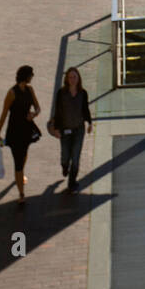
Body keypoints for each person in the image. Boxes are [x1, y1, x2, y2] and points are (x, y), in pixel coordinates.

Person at [0, 65, 41, 206]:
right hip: (15, 131)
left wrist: (34, 114)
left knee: (24, 154)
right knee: (18, 161)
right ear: (26, 76)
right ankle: (21, 194)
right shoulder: (12, 93)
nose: (32, 76)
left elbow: (38, 108)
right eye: (31, 74)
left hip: (27, 129)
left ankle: (19, 177)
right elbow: (4, 114)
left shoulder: (30, 90)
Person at [49, 66, 93, 194]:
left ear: (78, 78)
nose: (72, 79)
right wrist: (56, 128)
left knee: (76, 157)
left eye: (75, 77)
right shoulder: (61, 93)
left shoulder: (82, 93)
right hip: (65, 129)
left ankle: (72, 182)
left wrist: (89, 122)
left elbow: (85, 109)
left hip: (79, 129)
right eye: (70, 77)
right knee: (65, 156)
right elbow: (57, 111)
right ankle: (64, 166)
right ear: (66, 79)